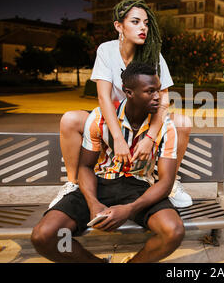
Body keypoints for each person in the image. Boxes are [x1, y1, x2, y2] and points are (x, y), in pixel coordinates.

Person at [31, 62, 185, 263]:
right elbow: (85, 166)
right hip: (100, 183)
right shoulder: (99, 118)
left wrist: (129, 209)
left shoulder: (165, 126)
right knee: (44, 236)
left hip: (139, 186)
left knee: (173, 231)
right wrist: (93, 203)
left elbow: (165, 183)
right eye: (150, 91)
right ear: (129, 93)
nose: (159, 97)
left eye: (158, 90)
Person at [50, 0, 192, 209]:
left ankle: (168, 184)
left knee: (183, 123)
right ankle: (73, 184)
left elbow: (163, 100)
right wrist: (117, 138)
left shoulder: (154, 55)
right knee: (70, 119)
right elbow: (104, 97)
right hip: (113, 118)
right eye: (135, 22)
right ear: (119, 26)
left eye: (146, 23)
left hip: (144, 120)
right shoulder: (106, 51)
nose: (143, 27)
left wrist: (151, 138)